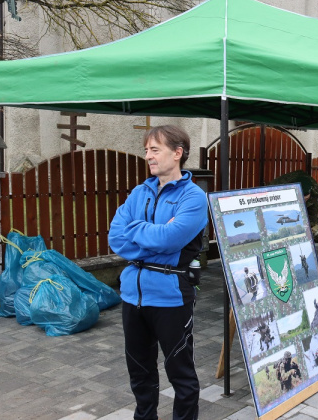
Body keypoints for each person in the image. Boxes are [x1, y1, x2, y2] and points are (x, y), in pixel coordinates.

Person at [109, 125, 207, 420]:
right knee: (140, 373)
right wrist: (153, 235)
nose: (148, 156)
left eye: (155, 150)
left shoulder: (194, 197)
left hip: (170, 297)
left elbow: (171, 239)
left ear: (177, 153)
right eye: (146, 150)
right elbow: (116, 238)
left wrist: (137, 230)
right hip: (132, 296)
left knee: (181, 375)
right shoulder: (139, 192)